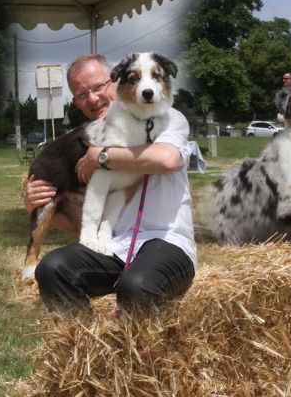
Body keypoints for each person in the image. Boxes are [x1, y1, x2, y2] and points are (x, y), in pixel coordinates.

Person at [24, 54, 195, 314]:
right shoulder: (90, 138)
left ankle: (135, 350)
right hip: (116, 246)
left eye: (98, 87)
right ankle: (83, 342)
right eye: (82, 94)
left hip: (166, 240)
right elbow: (78, 223)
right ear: (76, 103)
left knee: (135, 286)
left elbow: (167, 159)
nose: (92, 98)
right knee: (52, 267)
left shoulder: (169, 118)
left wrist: (100, 156)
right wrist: (35, 206)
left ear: (115, 81)